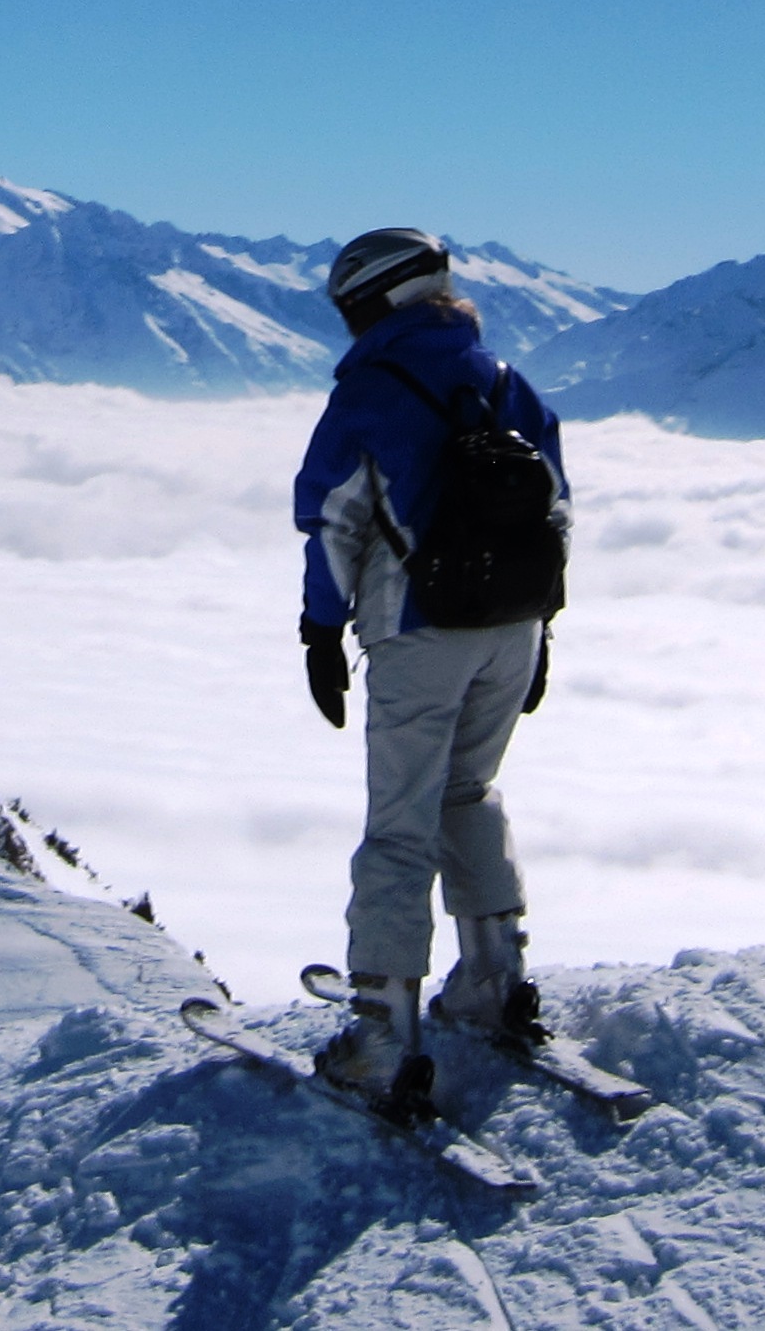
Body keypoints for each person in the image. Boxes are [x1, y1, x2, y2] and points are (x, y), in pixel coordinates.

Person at [293, 227, 570, 1106]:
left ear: (374, 301)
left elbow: (334, 519)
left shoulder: (373, 389)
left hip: (419, 630)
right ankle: (492, 982)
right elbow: (556, 511)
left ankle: (382, 1038)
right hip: (512, 626)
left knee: (400, 824)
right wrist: (542, 629)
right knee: (468, 793)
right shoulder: (506, 380)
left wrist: (320, 629)